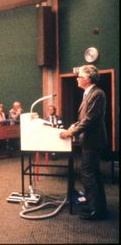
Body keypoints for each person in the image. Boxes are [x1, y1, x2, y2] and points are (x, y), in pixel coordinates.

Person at [59, 65, 109, 220]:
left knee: (87, 173)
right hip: (89, 140)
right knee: (93, 174)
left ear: (87, 78)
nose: (77, 79)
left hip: (93, 141)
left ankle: (96, 210)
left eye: (79, 76)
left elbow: (90, 119)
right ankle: (97, 206)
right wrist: (75, 124)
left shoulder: (97, 94)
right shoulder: (89, 93)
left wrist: (70, 132)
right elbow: (85, 118)